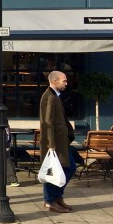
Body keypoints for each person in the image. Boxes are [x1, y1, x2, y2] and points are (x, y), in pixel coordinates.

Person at [39, 70, 76, 213]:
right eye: (64, 81)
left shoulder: (55, 95)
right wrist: (51, 145)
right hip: (55, 144)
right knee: (52, 170)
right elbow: (47, 123)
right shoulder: (49, 97)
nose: (66, 83)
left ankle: (57, 197)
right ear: (54, 81)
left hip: (61, 142)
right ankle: (50, 201)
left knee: (69, 167)